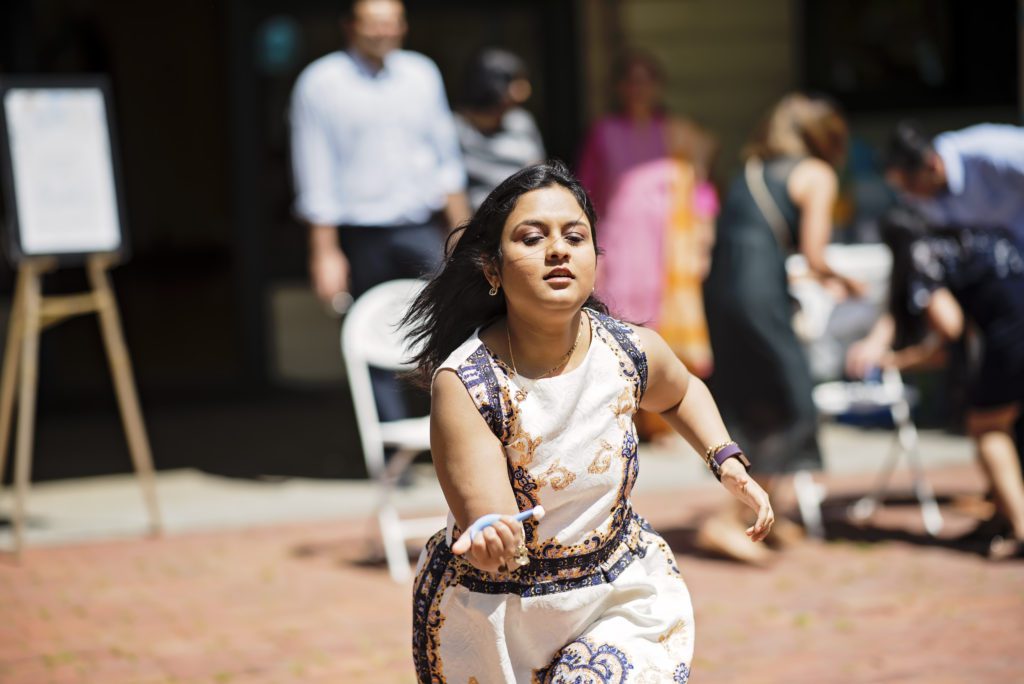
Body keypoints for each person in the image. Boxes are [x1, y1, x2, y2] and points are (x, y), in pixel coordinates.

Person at [402, 161, 773, 682]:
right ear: (492, 269)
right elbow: (487, 513)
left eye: (575, 237)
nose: (558, 250)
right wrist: (489, 533)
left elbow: (681, 391)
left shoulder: (629, 350)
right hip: (502, 616)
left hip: (616, 595)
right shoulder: (467, 382)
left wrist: (724, 457)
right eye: (532, 238)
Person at [701, 93, 864, 563]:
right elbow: (814, 256)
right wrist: (847, 281)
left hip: (722, 293)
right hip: (760, 297)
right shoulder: (816, 174)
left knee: (755, 401)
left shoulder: (747, 170)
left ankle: (766, 515)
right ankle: (726, 521)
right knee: (794, 405)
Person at [289, 0, 470, 422]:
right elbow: (314, 171)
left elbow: (445, 160)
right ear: (350, 26)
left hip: (420, 225)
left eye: (391, 23)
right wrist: (324, 251)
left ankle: (454, 431)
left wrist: (461, 231)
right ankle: (391, 449)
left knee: (453, 323)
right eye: (373, 24)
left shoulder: (422, 74)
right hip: (360, 231)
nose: (383, 32)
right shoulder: (321, 82)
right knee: (372, 336)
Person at [846, 210, 1024, 561]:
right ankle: (1001, 516)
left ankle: (1019, 527)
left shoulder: (921, 253)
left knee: (987, 426)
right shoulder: (966, 235)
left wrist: (901, 360)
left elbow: (949, 328)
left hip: (1012, 337)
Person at [883, 121, 1024, 240]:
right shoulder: (921, 201)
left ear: (932, 165)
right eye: (902, 190)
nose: (908, 197)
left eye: (911, 186)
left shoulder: (992, 154)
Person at [454, 47, 546, 210]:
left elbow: (537, 171)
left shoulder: (521, 122)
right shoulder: (455, 129)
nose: (526, 91)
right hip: (476, 220)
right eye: (517, 82)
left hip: (523, 211)